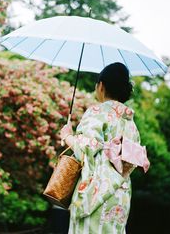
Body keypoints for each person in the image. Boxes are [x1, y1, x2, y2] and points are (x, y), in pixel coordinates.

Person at [59, 62, 150, 234]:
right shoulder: (130, 122)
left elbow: (86, 149)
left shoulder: (97, 112)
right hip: (120, 195)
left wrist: (67, 136)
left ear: (101, 86)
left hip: (95, 194)